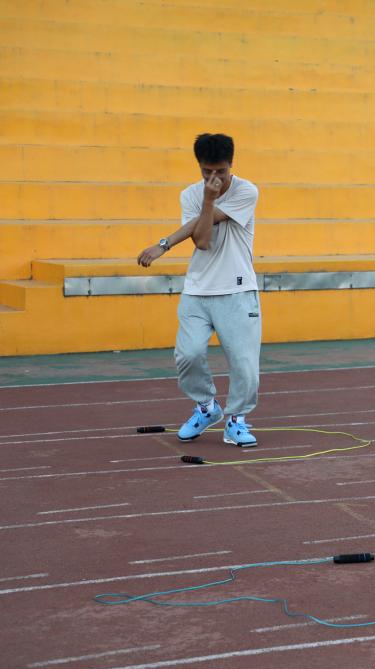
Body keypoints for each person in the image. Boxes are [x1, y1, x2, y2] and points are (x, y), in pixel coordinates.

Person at [136, 133, 261, 448]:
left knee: (243, 362)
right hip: (197, 290)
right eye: (207, 172)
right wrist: (206, 199)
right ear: (199, 167)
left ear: (231, 164)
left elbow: (204, 231)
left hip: (237, 290)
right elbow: (203, 241)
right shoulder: (191, 195)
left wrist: (164, 244)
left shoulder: (246, 191)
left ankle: (236, 420)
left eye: (221, 171)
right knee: (188, 354)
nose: (214, 178)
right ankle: (206, 406)